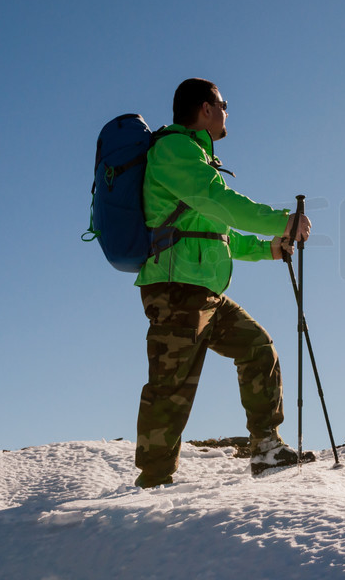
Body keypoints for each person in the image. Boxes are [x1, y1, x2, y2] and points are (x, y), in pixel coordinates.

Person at [133, 77, 312, 488]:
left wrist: (268, 248)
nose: (227, 111)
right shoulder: (173, 150)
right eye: (223, 103)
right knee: (171, 385)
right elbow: (223, 203)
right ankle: (154, 482)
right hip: (175, 288)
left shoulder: (195, 157)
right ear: (205, 109)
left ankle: (266, 449)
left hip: (204, 292)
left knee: (257, 347)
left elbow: (217, 234)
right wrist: (282, 220)